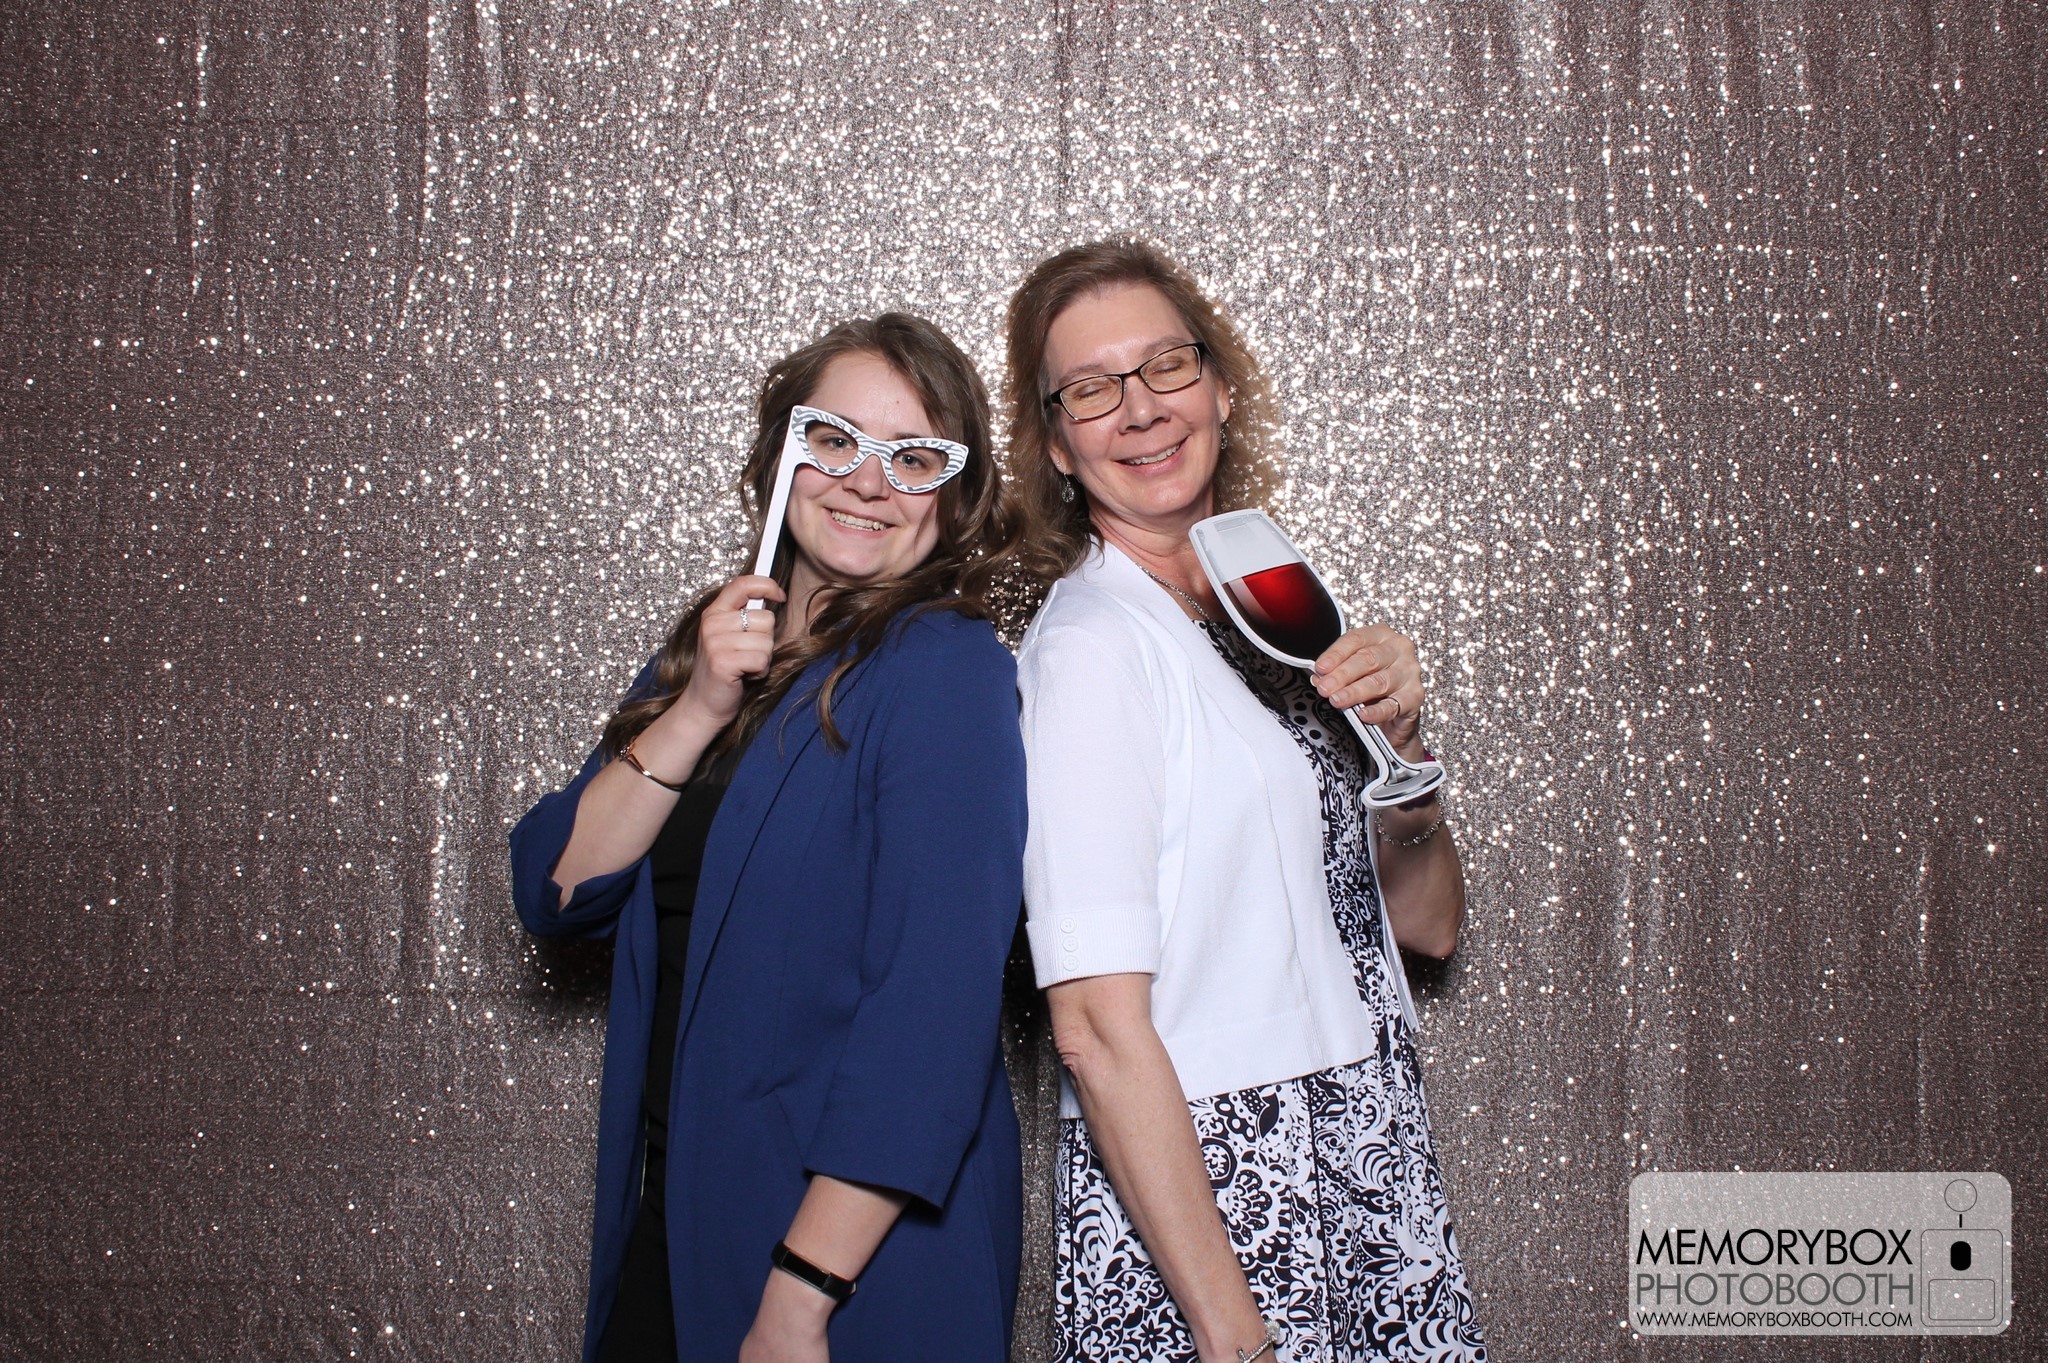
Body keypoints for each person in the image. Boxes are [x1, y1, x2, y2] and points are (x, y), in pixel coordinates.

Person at [510, 314, 1027, 1363]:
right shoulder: (715, 644)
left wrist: (800, 1298)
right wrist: (700, 703)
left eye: (913, 457)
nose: (867, 482)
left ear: (953, 494)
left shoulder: (944, 668)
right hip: (678, 1226)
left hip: (840, 1271)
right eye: (834, 440)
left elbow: (930, 1017)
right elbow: (557, 889)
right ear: (781, 453)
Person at [1006, 240, 1487, 1363]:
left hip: (1359, 1136)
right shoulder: (1089, 650)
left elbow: (1426, 927)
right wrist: (1234, 1336)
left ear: (1219, 385)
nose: (1140, 408)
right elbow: (1092, 1027)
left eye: (1165, 365)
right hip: (1226, 1181)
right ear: (1058, 445)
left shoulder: (1266, 606)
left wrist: (1402, 754)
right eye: (1091, 388)